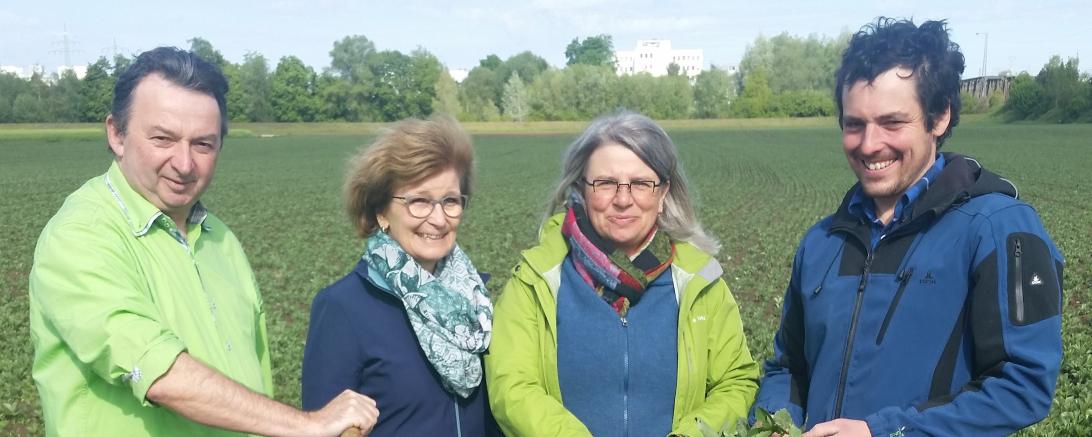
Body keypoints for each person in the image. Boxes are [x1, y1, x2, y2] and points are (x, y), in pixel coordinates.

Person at [28, 47, 377, 437]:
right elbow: (155, 368)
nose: (184, 163)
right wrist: (305, 425)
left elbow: (254, 373)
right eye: (163, 138)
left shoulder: (220, 238)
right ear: (117, 133)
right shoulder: (81, 235)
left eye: (203, 144)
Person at [751, 18, 1064, 437]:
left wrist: (883, 431)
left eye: (892, 122)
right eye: (854, 124)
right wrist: (776, 420)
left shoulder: (996, 229)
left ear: (939, 117)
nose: (869, 144)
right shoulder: (821, 243)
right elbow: (787, 367)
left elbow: (1022, 386)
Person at [486, 111, 759, 437]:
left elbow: (736, 381)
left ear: (662, 194)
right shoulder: (536, 281)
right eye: (606, 183)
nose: (623, 199)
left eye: (641, 184)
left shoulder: (699, 283)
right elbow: (511, 385)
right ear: (581, 190)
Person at [301, 116, 496, 436]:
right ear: (380, 211)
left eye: (450, 201)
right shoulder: (343, 308)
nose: (438, 219)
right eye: (419, 201)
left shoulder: (474, 303)